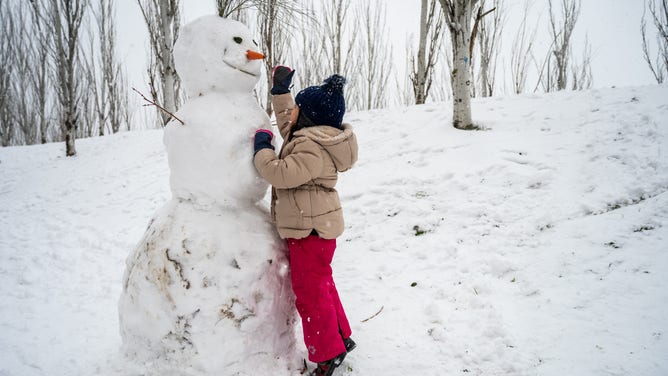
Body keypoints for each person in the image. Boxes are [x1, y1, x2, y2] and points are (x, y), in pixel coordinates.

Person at [253, 66, 358, 376]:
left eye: (297, 108)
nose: (291, 113)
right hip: (316, 228)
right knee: (322, 284)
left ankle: (327, 354)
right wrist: (280, 93)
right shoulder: (312, 136)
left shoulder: (310, 148)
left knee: (310, 293)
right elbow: (289, 122)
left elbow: (279, 173)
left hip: (309, 231)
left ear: (308, 117)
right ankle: (340, 336)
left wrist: (262, 150)